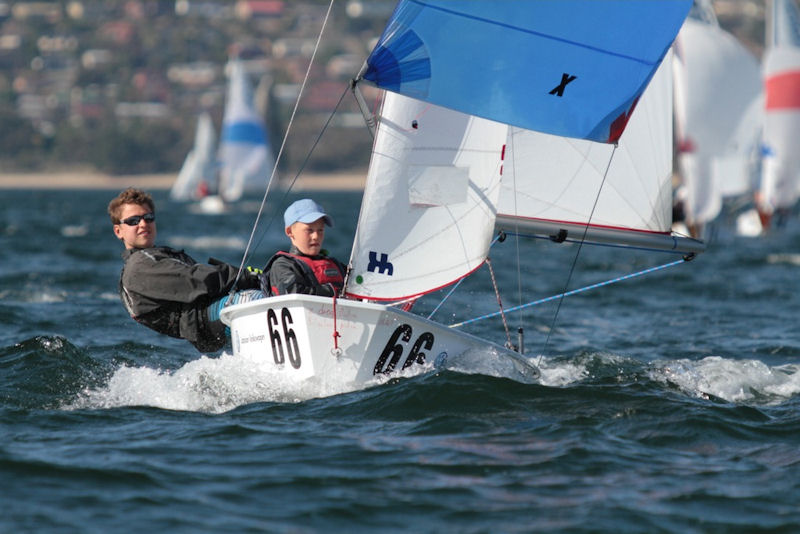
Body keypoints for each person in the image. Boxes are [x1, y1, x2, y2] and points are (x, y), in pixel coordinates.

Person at [108, 187, 265, 352]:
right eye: (133, 221)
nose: (143, 224)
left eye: (148, 218)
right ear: (118, 231)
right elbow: (195, 280)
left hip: (210, 323)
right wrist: (243, 276)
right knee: (259, 299)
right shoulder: (139, 266)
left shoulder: (155, 257)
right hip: (206, 318)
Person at [266, 198, 347, 297]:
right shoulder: (283, 265)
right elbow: (293, 294)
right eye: (309, 230)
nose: (316, 236)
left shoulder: (336, 265)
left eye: (320, 230)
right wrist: (334, 291)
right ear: (289, 232)